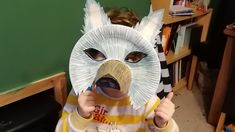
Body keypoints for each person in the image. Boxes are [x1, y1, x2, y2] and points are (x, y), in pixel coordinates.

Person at [56, 7, 178, 132]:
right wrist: (79, 116)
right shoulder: (81, 92)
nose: (113, 71)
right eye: (102, 55)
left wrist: (162, 124)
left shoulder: (145, 100)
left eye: (130, 59)